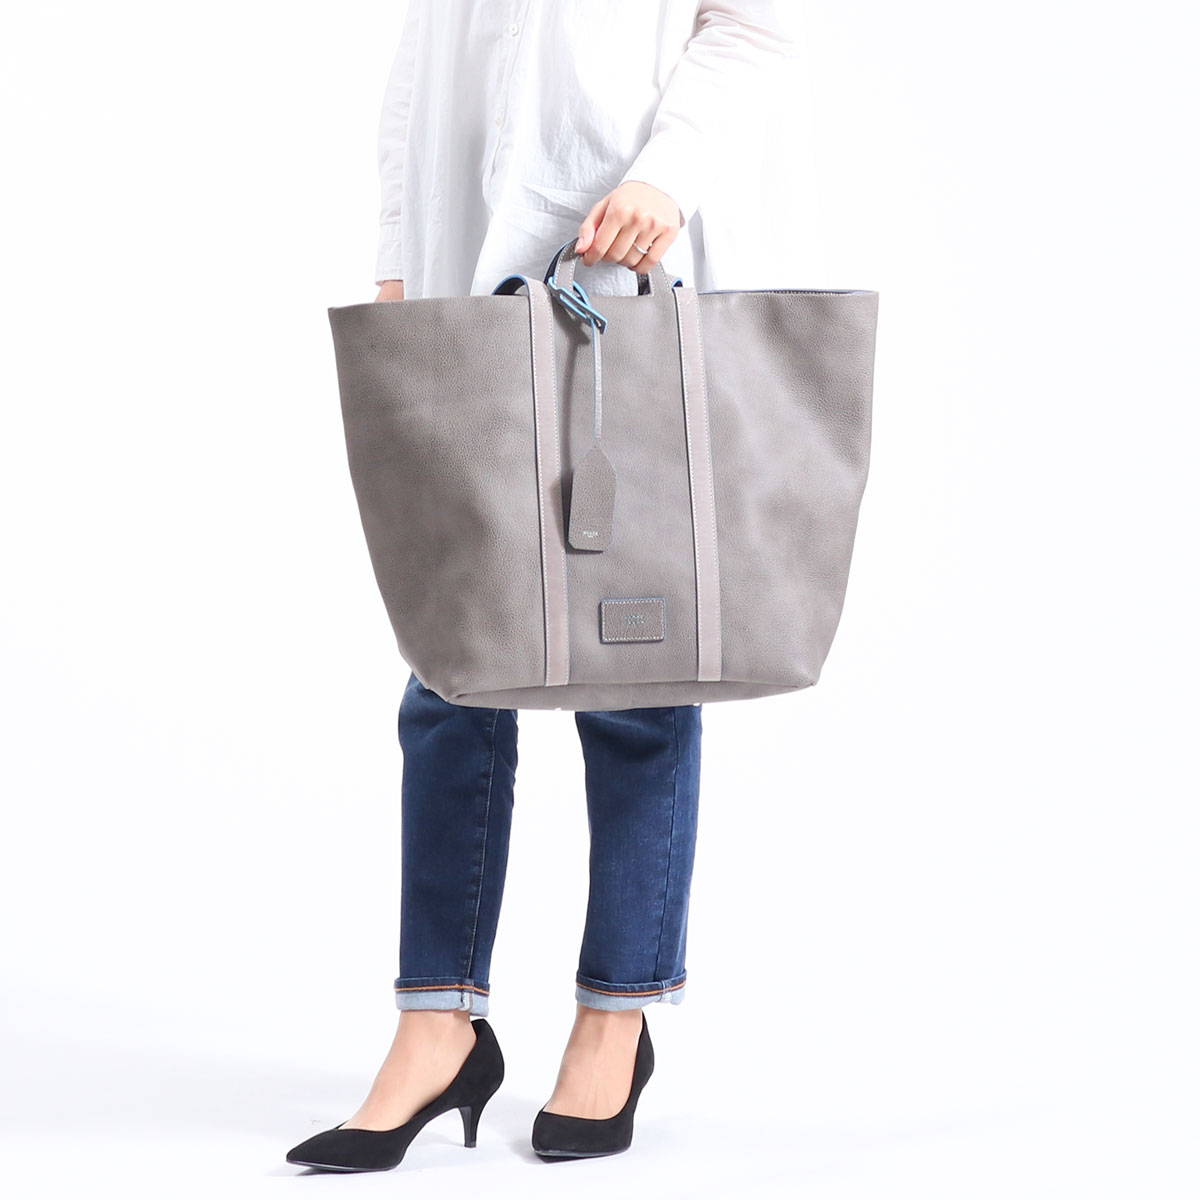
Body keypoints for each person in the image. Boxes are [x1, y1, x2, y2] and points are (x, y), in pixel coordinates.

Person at [287, 0, 798, 1174]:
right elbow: (424, 53)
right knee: (452, 667)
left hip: (630, 261)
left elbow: (758, 23)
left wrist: (669, 173)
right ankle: (438, 1023)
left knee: (636, 670)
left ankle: (615, 1018)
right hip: (466, 269)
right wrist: (400, 249)